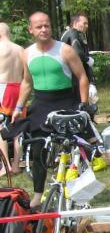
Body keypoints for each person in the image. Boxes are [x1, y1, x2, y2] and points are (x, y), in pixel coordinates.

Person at [12, 12, 88, 208]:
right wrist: (19, 106)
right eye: (39, 27)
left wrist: (84, 105)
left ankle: (77, 191)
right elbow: (27, 82)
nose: (44, 29)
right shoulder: (26, 53)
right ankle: (38, 195)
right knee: (37, 151)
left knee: (74, 148)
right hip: (41, 103)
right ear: (31, 30)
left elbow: (82, 77)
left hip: (65, 102)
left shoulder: (65, 50)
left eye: (47, 25)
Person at [0, 23, 25, 175]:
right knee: (18, 130)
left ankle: (5, 166)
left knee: (1, 128)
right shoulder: (20, 49)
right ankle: (16, 165)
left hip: (3, 88)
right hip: (19, 88)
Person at [61, 13, 97, 103]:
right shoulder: (73, 32)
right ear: (75, 23)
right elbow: (78, 53)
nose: (87, 26)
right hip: (75, 77)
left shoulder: (67, 33)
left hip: (68, 76)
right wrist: (87, 59)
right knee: (82, 104)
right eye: (84, 23)